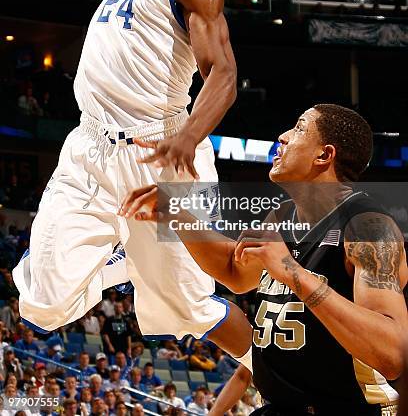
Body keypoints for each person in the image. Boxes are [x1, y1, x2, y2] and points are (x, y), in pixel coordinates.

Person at [13, 0, 252, 371]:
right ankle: (125, 254)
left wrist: (189, 137)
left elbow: (224, 74)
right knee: (41, 303)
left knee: (188, 307)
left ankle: (267, 368)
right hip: (91, 147)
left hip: (159, 153)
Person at [122, 104, 408, 416]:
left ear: (324, 155)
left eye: (298, 128)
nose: (282, 137)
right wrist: (173, 212)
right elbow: (234, 271)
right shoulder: (282, 216)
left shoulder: (368, 226)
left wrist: (290, 272)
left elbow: (392, 353)